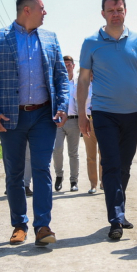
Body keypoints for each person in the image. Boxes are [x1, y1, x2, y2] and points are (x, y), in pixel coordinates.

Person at [0, 0, 68, 247]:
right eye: (42, 8)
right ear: (27, 10)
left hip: (43, 114)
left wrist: (62, 105)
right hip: (10, 117)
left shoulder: (51, 38)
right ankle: (19, 224)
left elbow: (61, 76)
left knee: (42, 168)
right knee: (15, 173)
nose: (45, 12)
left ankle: (42, 225)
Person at [78, 0, 137, 240]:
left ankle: (119, 209)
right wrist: (82, 113)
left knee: (124, 166)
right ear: (103, 13)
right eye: (111, 10)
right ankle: (115, 219)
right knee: (111, 164)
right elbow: (83, 80)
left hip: (132, 113)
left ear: (126, 11)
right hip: (103, 112)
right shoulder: (91, 42)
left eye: (120, 9)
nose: (116, 14)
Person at [53, 56, 81, 192]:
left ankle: (74, 181)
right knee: (57, 149)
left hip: (74, 120)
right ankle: (59, 176)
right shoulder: (57, 83)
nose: (67, 67)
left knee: (73, 153)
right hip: (58, 121)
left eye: (69, 64)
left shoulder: (79, 82)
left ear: (73, 66)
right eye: (64, 65)